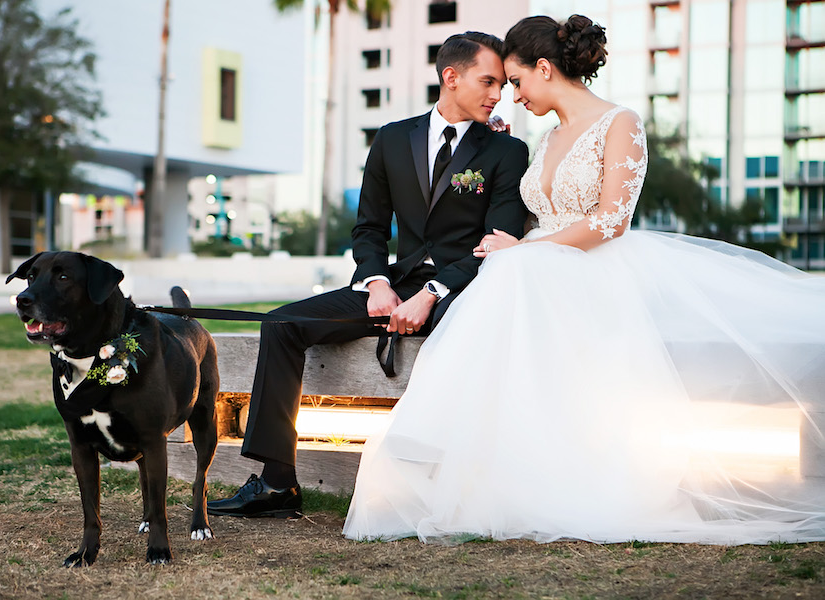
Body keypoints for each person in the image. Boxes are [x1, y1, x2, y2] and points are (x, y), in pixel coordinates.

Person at [343, 14, 825, 545]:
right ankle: (483, 472)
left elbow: (610, 220)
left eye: (517, 82)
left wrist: (524, 249)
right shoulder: (545, 138)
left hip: (593, 269)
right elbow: (524, 210)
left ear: (543, 68)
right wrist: (514, 232)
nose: (513, 98)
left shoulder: (621, 122)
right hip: (533, 269)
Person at [207, 32, 531, 518]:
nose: (498, 94)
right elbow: (370, 227)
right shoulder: (392, 139)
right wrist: (377, 283)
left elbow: (497, 243)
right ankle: (277, 484)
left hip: (465, 292)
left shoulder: (506, 152)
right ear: (451, 77)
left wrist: (431, 293)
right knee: (279, 324)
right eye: (488, 82)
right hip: (393, 285)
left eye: (502, 85)